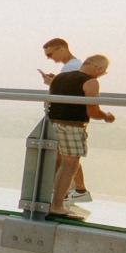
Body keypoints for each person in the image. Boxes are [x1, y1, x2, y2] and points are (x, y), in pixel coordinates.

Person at [49, 54, 115, 219]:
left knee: (57, 165)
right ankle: (56, 206)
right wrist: (106, 116)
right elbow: (92, 111)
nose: (101, 75)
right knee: (70, 166)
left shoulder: (59, 78)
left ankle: (51, 201)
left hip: (53, 124)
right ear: (98, 68)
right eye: (103, 72)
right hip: (72, 126)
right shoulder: (91, 82)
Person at [39, 37, 91, 201]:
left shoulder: (73, 67)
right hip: (68, 118)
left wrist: (51, 82)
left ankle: (73, 192)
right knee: (67, 156)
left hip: (67, 119)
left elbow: (71, 90)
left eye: (50, 53)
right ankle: (73, 191)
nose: (49, 58)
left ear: (61, 49)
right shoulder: (72, 67)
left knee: (67, 158)